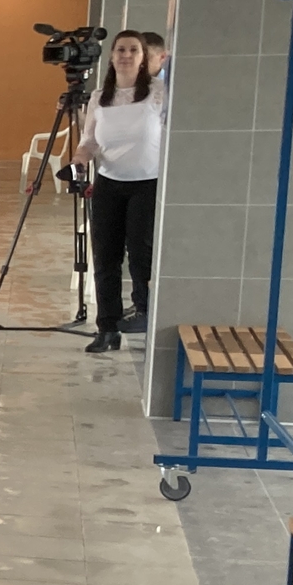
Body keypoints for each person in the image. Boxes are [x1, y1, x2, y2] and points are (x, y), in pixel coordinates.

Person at [77, 30, 162, 352]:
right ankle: (107, 328)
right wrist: (79, 159)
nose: (126, 55)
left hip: (147, 182)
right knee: (105, 258)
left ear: (143, 58)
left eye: (133, 50)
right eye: (121, 50)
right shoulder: (100, 97)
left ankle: (144, 311)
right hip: (109, 183)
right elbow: (89, 141)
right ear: (112, 57)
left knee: (141, 254)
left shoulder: (158, 93)